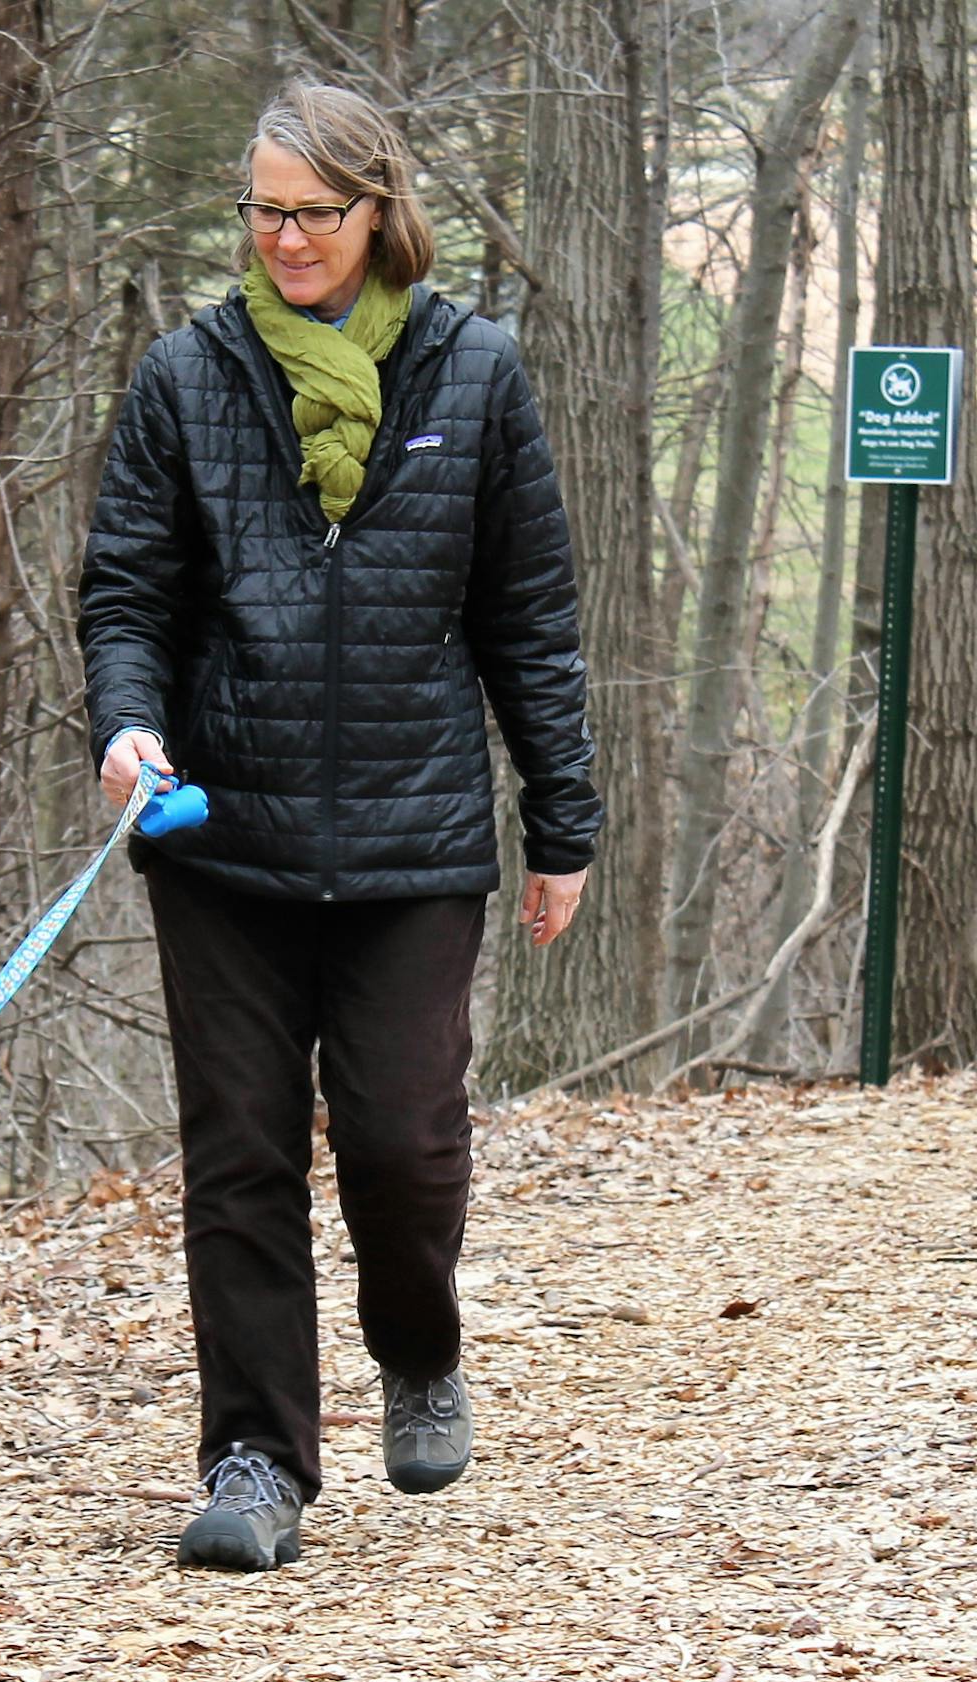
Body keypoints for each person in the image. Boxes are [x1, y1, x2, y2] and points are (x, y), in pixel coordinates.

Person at [79, 79, 600, 1572]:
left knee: (403, 1143)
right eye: (264, 211)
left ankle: (419, 1348)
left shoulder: (474, 372)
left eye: (315, 212)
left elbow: (531, 622)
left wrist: (559, 822)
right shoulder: (186, 376)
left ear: (381, 213)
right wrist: (128, 720)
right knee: (239, 1154)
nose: (287, 238)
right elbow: (129, 593)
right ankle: (255, 1458)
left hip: (413, 841)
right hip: (221, 835)